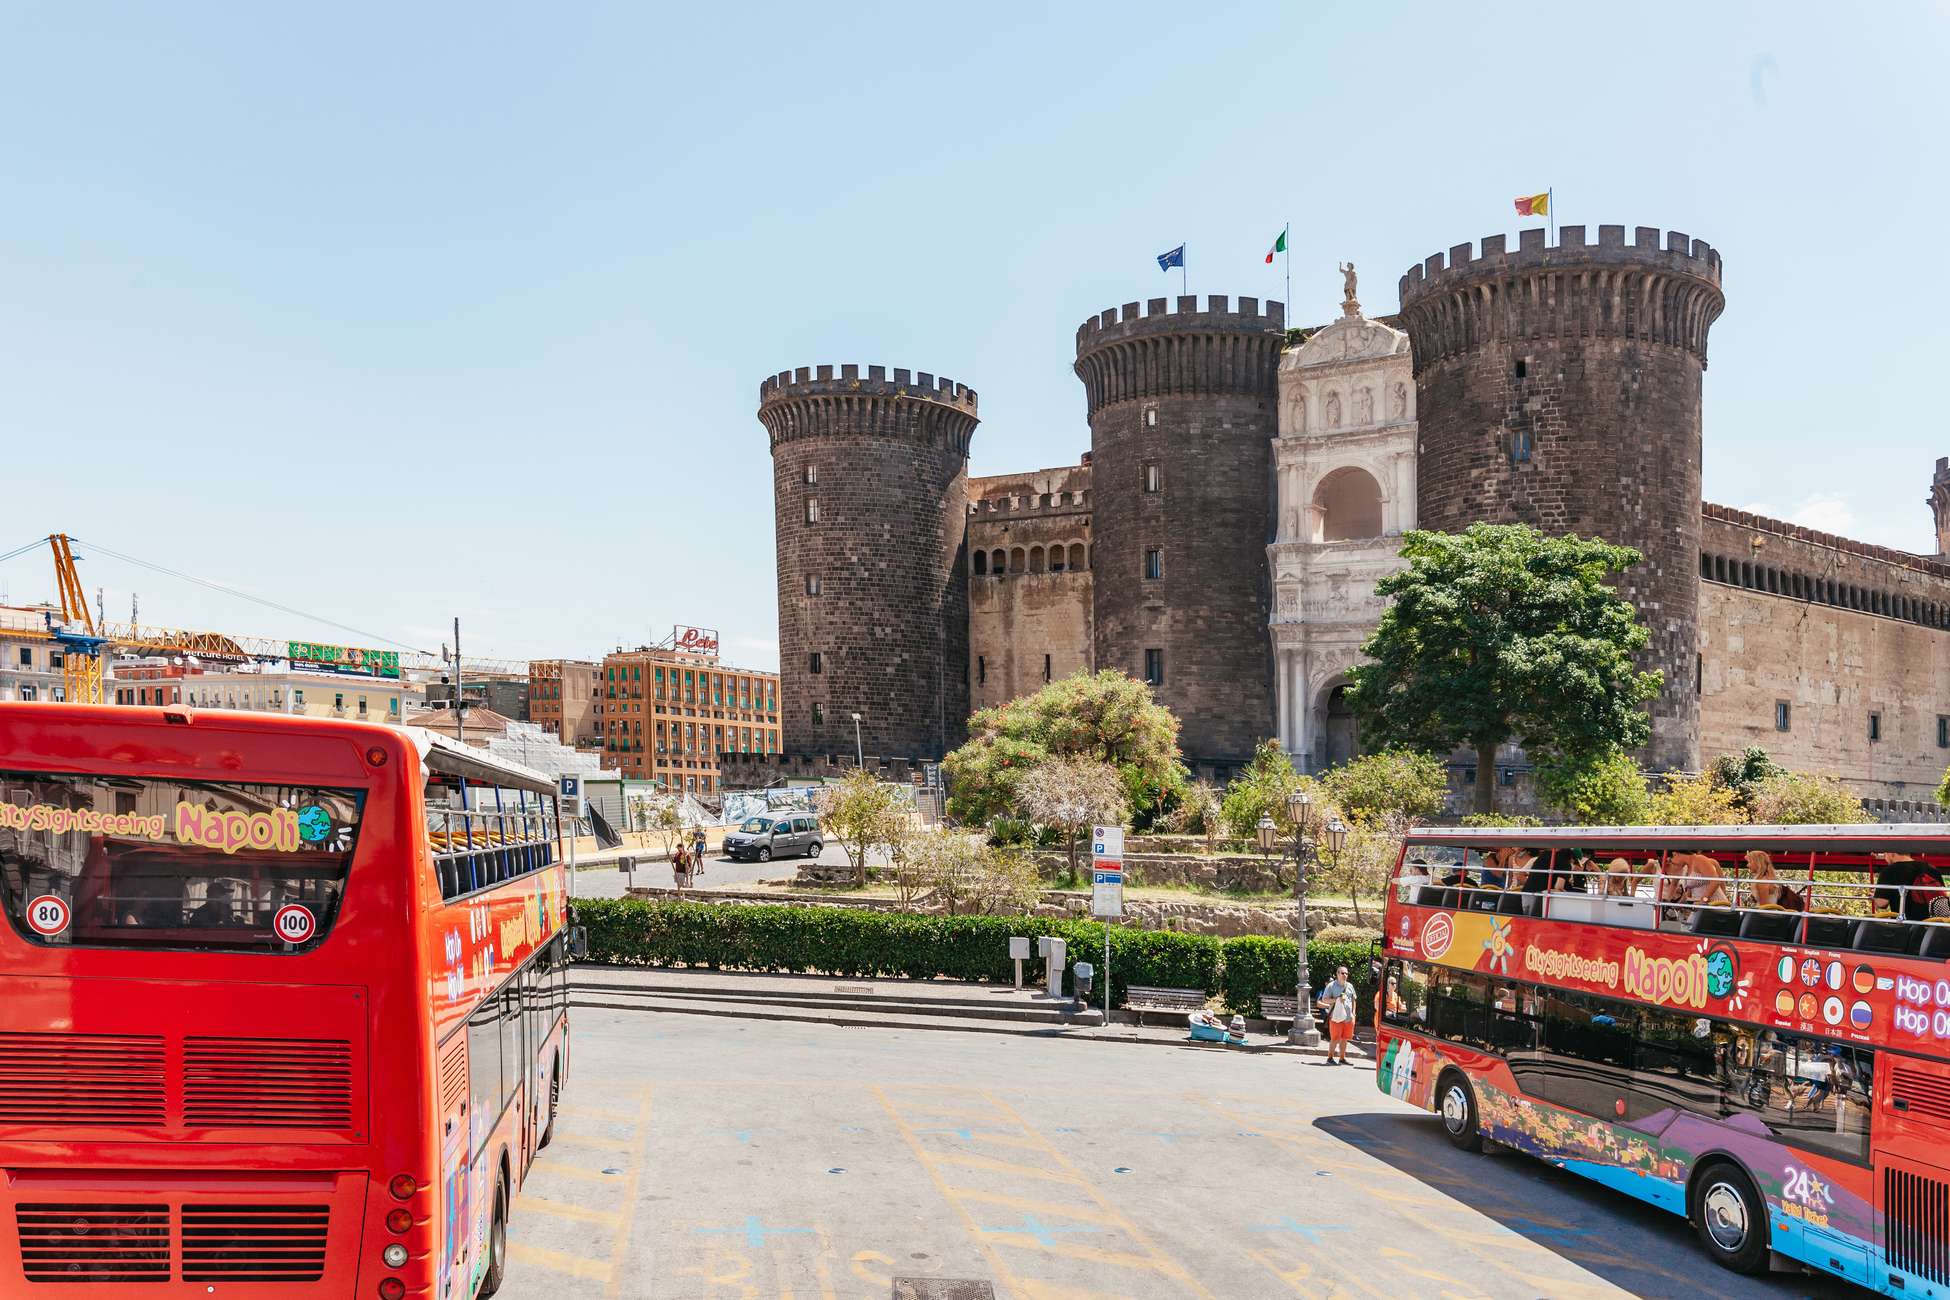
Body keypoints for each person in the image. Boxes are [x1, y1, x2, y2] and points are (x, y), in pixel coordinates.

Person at [1318, 965, 1358, 1065]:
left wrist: (1353, 1013)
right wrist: (1336, 999)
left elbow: (1353, 999)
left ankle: (1342, 1058)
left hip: (1348, 1018)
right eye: (1342, 973)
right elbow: (1324, 999)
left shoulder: (1350, 986)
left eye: (1346, 973)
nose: (1345, 975)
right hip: (1335, 1017)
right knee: (1335, 1039)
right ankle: (1330, 1058)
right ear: (1337, 974)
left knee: (1345, 1038)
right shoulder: (1331, 986)